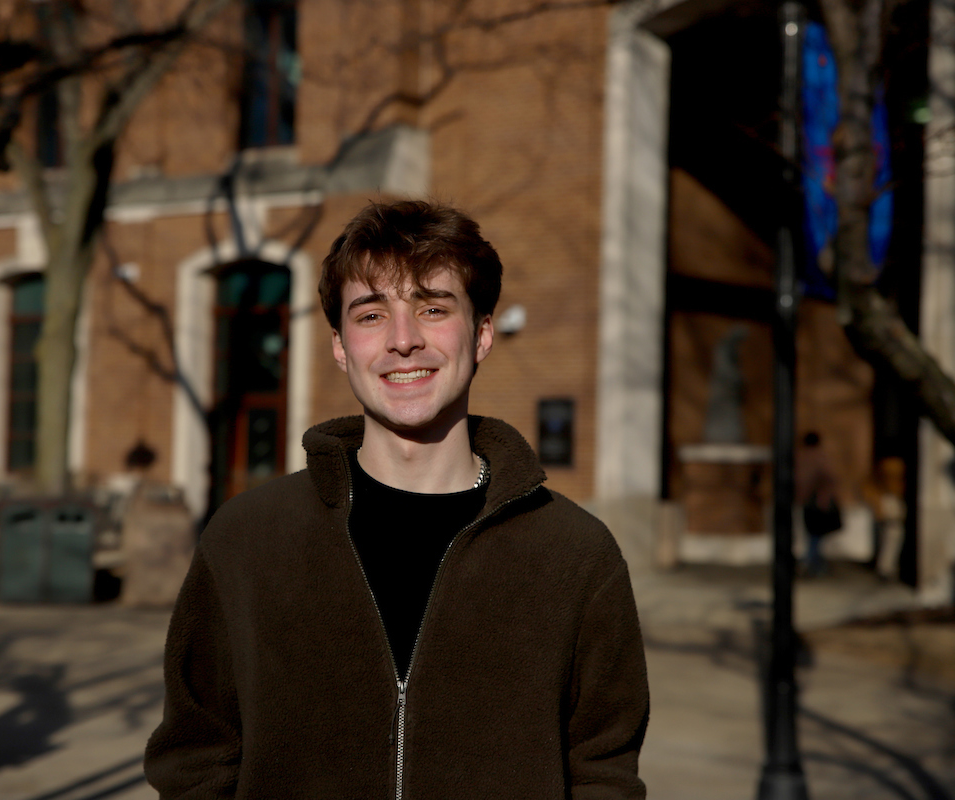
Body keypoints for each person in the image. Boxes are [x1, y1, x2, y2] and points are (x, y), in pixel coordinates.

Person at [144, 200, 649, 799]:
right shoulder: (247, 539)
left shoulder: (576, 555)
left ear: (482, 332)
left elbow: (604, 773)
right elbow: (197, 759)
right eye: (372, 314)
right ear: (339, 345)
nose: (403, 341)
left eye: (433, 308)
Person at [797, 431, 841, 577]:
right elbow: (830, 478)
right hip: (818, 500)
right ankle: (810, 561)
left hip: (806, 500)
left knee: (812, 533)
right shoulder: (820, 457)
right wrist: (825, 496)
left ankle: (814, 562)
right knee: (816, 534)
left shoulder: (801, 457)